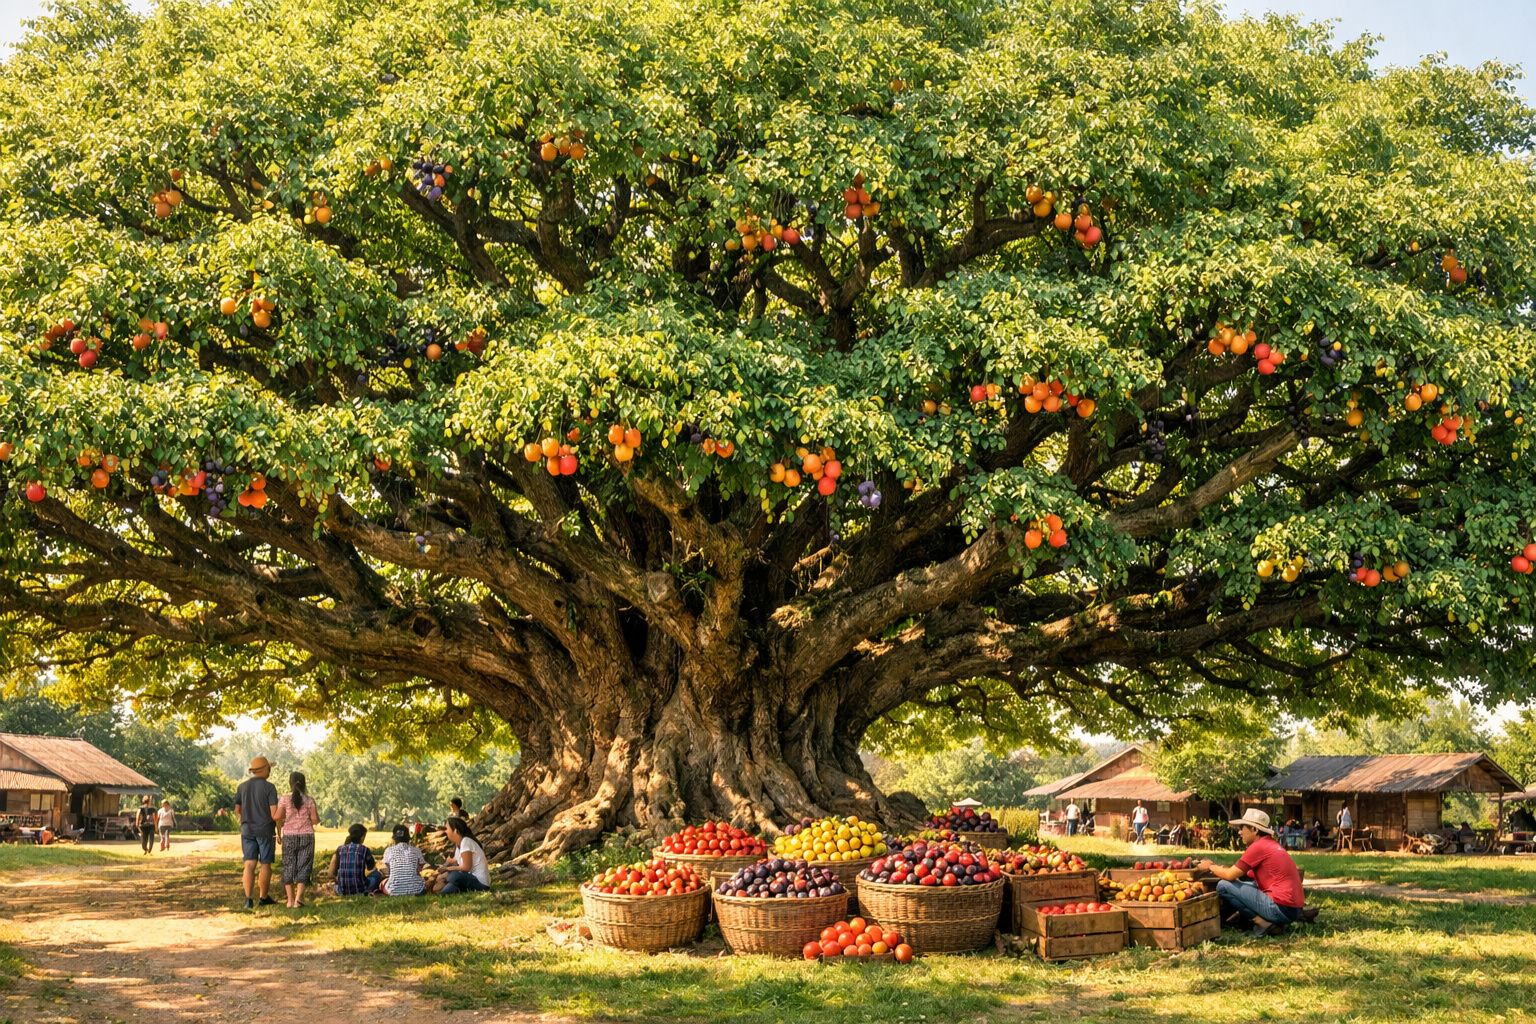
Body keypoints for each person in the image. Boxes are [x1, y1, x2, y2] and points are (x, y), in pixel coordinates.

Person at [1201, 808, 1307, 937]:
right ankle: (1266, 921)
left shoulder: (1258, 847)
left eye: (1243, 828)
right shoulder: (1271, 844)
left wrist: (1211, 866)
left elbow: (1229, 875)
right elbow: (1249, 874)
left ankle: (1262, 923)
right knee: (1246, 883)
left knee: (1223, 885)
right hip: (1294, 910)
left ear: (1255, 830)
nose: (1240, 832)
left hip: (1281, 909)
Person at [234, 756, 281, 909]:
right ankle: (263, 897)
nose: (270, 770)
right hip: (265, 830)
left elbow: (237, 810)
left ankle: (248, 900)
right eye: (269, 767)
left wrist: (243, 822)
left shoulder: (242, 787)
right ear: (265, 769)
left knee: (249, 863)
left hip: (247, 830)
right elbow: (274, 813)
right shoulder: (269, 787)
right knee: (265, 863)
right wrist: (280, 827)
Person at [276, 771, 321, 908]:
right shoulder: (309, 800)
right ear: (304, 783)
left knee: (288, 865)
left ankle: (289, 900)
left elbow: (277, 816)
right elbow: (314, 820)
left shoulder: (284, 799)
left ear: (290, 783)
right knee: (304, 865)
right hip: (307, 836)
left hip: (289, 836)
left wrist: (284, 821)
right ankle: (299, 899)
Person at [437, 817, 491, 895]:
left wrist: (447, 869)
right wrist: (443, 867)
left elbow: (466, 867)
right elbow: (455, 861)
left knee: (454, 876)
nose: (445, 831)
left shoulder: (466, 841)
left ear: (455, 830)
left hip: (480, 883)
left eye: (446, 828)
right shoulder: (459, 844)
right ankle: (444, 892)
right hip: (468, 878)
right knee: (447, 890)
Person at [330, 823, 379, 896]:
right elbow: (370, 867)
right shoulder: (364, 849)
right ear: (362, 837)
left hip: (342, 891)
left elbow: (331, 873)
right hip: (361, 890)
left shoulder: (340, 849)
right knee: (377, 875)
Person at [380, 824, 427, 896]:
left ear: (393, 838)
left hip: (393, 890)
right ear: (408, 837)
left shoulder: (388, 850)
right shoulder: (416, 850)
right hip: (417, 890)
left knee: (382, 883)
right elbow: (420, 868)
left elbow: (389, 870)